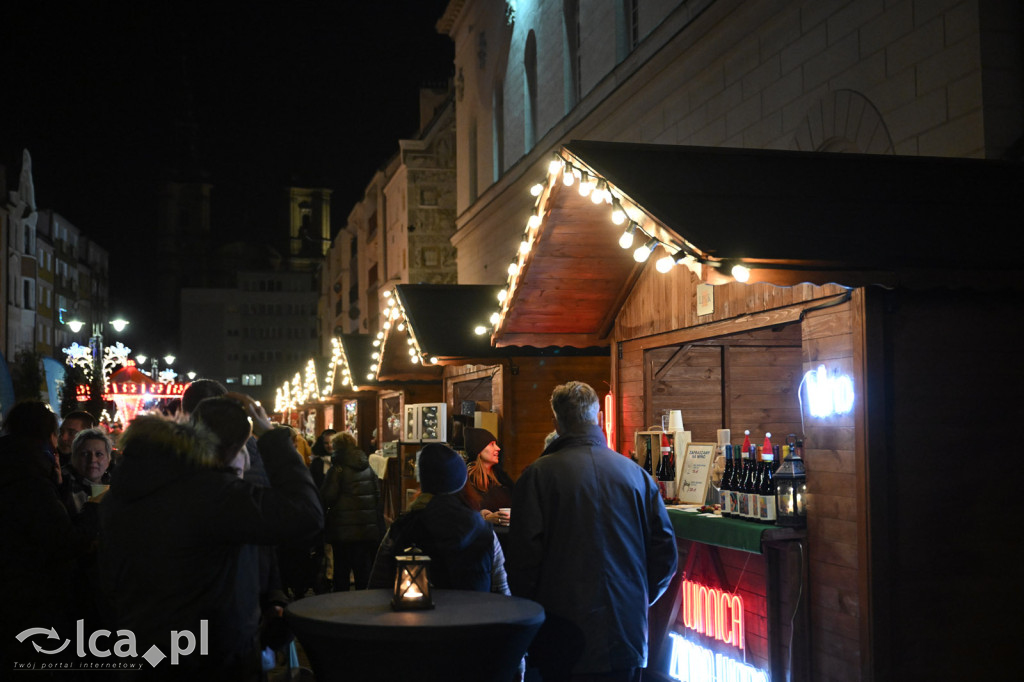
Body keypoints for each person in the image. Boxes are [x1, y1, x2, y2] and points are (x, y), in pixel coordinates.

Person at [99, 394, 323, 680]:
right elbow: (306, 515)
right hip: (211, 660)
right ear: (231, 450)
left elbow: (109, 578)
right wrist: (270, 434)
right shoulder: (212, 494)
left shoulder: (126, 488)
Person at [508, 381, 678, 682]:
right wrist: (637, 596)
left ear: (556, 422)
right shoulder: (636, 475)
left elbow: (524, 562)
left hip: (561, 631)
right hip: (626, 628)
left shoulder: (537, 476)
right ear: (598, 418)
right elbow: (665, 552)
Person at [0, 401, 81, 669]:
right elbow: (61, 543)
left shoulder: (14, 466)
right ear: (49, 437)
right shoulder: (34, 482)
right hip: (32, 606)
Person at [369, 443, 509, 595]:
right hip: (477, 616)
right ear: (462, 481)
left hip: (418, 617)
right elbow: (502, 590)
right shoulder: (484, 531)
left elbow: (377, 587)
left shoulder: (401, 529)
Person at [320, 432, 380, 591]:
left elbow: (328, 496)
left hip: (342, 529)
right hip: (366, 528)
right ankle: (363, 602)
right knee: (363, 570)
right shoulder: (368, 467)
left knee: (342, 569)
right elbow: (377, 495)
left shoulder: (337, 469)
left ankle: (342, 605)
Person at [461, 426, 515, 525]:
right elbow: (463, 513)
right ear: (479, 451)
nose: (498, 448)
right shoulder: (466, 480)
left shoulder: (501, 477)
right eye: (491, 444)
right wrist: (485, 517)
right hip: (485, 535)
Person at [61, 428, 113, 514]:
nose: (92, 459)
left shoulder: (117, 486)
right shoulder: (63, 486)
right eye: (85, 454)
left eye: (99, 454)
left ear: (108, 459)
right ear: (74, 458)